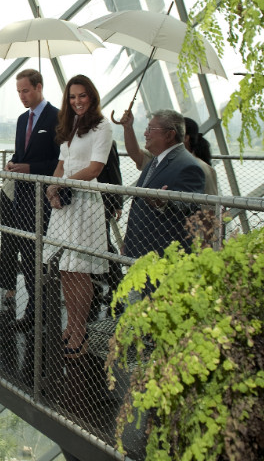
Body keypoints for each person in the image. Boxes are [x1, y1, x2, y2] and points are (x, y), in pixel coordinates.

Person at [42, 75, 113, 358]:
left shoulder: (102, 126)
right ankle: (71, 324)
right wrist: (52, 187)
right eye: (72, 97)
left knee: (80, 269)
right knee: (64, 268)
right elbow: (61, 164)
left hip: (84, 204)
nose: (77, 101)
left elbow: (95, 168)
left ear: (92, 97)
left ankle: (81, 330)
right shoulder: (70, 126)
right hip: (65, 204)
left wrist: (62, 183)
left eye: (82, 95)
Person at [0, 68, 60, 330]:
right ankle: (35, 313)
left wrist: (30, 169)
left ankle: (42, 313)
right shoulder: (23, 120)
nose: (22, 96)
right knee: (27, 254)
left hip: (44, 198)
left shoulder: (57, 117)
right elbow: (21, 153)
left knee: (40, 257)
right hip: (22, 197)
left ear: (39, 87)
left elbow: (60, 162)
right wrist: (13, 163)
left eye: (25, 90)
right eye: (19, 92)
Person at [121, 109, 206, 272]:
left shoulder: (188, 166)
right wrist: (129, 240)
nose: (145, 133)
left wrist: (164, 202)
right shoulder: (155, 161)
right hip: (142, 252)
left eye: (151, 129)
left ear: (169, 135)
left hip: (163, 258)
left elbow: (187, 203)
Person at [119, 110, 217, 195]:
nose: (145, 134)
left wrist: (162, 205)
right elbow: (136, 154)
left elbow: (209, 208)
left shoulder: (199, 168)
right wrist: (128, 128)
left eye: (151, 129)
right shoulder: (158, 160)